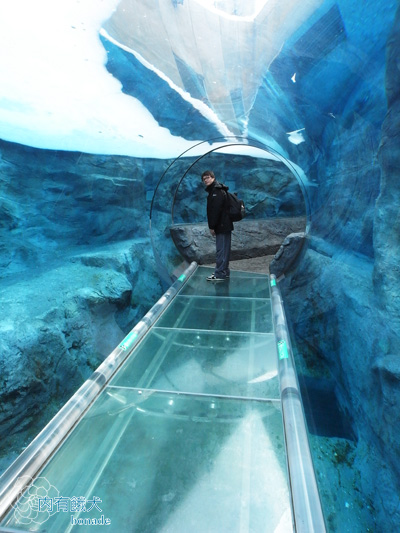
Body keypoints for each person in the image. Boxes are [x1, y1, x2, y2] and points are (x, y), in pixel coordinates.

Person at [201, 170, 233, 281]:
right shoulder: (217, 189)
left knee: (221, 250)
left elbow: (215, 211)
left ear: (213, 177)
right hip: (224, 225)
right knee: (224, 250)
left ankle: (220, 273)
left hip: (222, 225)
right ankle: (224, 271)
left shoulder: (216, 191)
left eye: (207, 177)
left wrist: (212, 226)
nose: (206, 180)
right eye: (204, 179)